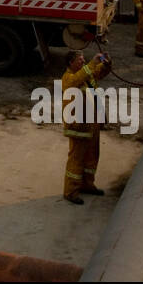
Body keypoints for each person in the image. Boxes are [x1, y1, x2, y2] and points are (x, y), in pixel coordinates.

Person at [61, 46, 112, 204]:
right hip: (78, 126)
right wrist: (91, 63)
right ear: (71, 63)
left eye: (84, 59)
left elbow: (98, 73)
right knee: (76, 159)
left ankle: (87, 184)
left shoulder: (86, 75)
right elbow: (81, 77)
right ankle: (71, 191)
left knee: (92, 156)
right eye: (80, 60)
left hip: (91, 123)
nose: (83, 61)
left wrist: (107, 63)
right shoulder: (68, 78)